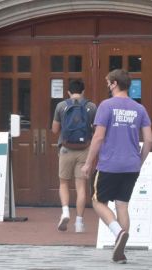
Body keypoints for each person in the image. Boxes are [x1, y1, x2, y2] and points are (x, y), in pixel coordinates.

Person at [81, 69, 152, 264]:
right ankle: (120, 252)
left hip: (109, 165)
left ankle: (118, 232)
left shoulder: (106, 106)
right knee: (122, 205)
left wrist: (88, 163)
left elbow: (98, 137)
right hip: (131, 165)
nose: (107, 85)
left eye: (107, 82)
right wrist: (139, 161)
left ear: (114, 83)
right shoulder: (139, 108)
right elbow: (148, 140)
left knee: (98, 201)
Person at [52, 79, 97, 233]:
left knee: (63, 183)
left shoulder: (61, 106)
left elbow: (55, 130)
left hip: (65, 149)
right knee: (81, 187)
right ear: (83, 91)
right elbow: (96, 130)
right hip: (84, 149)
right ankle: (79, 223)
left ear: (68, 92)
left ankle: (65, 211)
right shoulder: (91, 107)